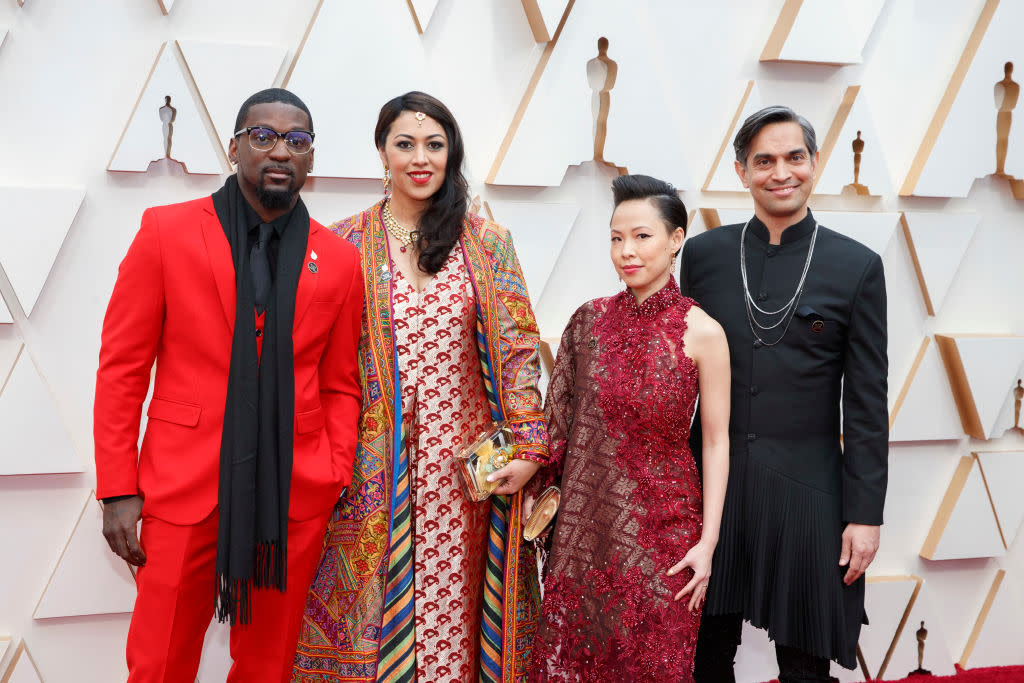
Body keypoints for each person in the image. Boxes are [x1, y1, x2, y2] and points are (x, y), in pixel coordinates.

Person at [94, 88, 363, 682]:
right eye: (263, 136)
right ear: (236, 146)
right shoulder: (166, 232)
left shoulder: (339, 261)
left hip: (293, 492)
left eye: (296, 141)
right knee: (159, 661)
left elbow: (342, 382)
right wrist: (117, 488)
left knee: (267, 668)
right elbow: (122, 368)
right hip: (182, 488)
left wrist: (334, 466)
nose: (280, 151)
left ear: (310, 159)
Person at [292, 91, 549, 683]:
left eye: (434, 145)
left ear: (451, 153)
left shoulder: (486, 242)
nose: (420, 158)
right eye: (404, 144)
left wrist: (530, 450)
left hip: (466, 477)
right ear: (381, 152)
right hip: (366, 471)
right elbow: (310, 359)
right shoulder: (340, 243)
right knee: (368, 618)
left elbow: (516, 352)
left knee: (457, 620)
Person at [680, 105, 888, 682]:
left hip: (809, 492)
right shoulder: (703, 256)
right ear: (742, 170)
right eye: (764, 160)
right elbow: (678, 376)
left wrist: (865, 515)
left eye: (795, 157)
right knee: (703, 654)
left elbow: (867, 403)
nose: (781, 172)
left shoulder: (858, 267)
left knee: (803, 665)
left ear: (815, 164)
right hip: (713, 486)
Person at [529, 174, 731, 681]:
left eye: (642, 236)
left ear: (675, 239)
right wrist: (523, 472)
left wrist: (707, 543)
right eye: (616, 238)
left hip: (667, 534)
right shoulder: (587, 323)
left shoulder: (704, 333)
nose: (626, 251)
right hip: (585, 534)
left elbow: (715, 440)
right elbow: (555, 429)